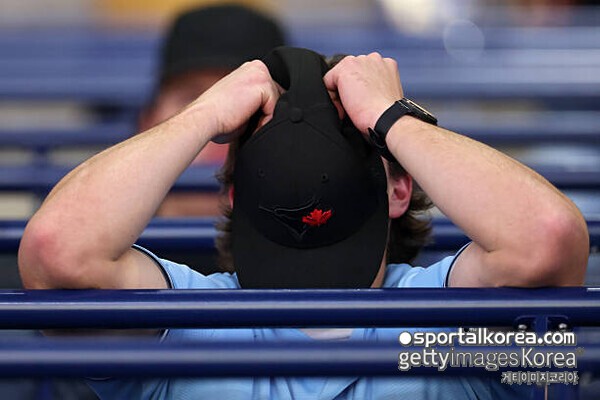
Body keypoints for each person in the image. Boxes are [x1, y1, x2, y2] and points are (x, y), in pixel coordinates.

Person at [18, 46, 588, 399]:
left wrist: (391, 119)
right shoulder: (191, 318)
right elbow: (56, 253)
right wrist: (206, 113)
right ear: (233, 198)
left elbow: (548, 238)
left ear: (400, 187)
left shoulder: (445, 323)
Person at [138, 4, 285, 217]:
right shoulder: (104, 234)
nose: (223, 126)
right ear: (148, 122)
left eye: (251, 103)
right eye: (193, 99)